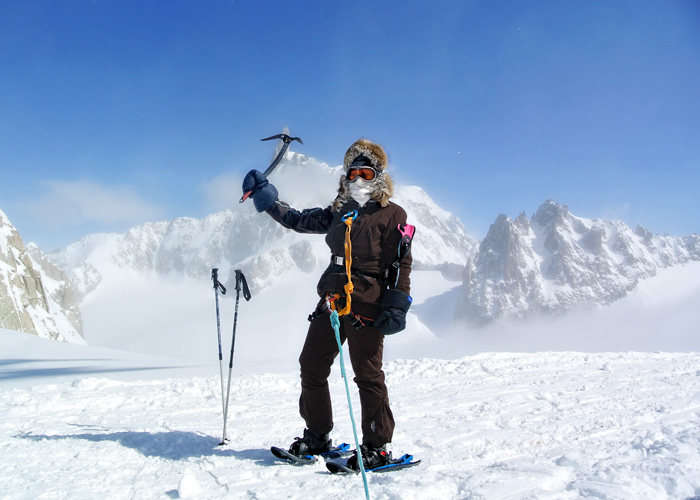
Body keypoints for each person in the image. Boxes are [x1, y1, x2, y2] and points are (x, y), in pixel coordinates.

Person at [242, 138, 413, 470]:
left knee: (367, 374)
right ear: (345, 178)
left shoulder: (393, 215)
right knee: (312, 365)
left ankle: (376, 447)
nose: (359, 180)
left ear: (378, 175)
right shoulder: (340, 211)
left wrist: (397, 304)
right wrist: (269, 200)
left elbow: (401, 263)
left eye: (366, 172)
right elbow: (300, 220)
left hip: (368, 302)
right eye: (352, 174)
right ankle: (318, 436)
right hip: (332, 300)